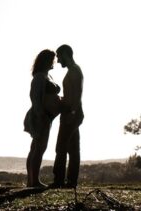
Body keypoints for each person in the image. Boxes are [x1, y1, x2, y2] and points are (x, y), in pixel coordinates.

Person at [24, 49, 62, 188]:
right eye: (52, 59)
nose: (55, 62)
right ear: (46, 61)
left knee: (35, 148)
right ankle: (34, 181)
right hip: (42, 116)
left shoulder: (46, 76)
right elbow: (35, 98)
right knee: (38, 148)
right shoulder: (39, 77)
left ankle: (31, 180)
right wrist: (41, 116)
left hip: (47, 117)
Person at [50, 43, 83, 188]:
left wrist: (72, 112)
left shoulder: (75, 71)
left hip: (71, 113)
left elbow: (78, 94)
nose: (58, 60)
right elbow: (72, 94)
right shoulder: (73, 70)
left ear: (65, 54)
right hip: (72, 112)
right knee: (73, 149)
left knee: (61, 147)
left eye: (59, 56)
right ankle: (71, 182)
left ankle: (59, 181)